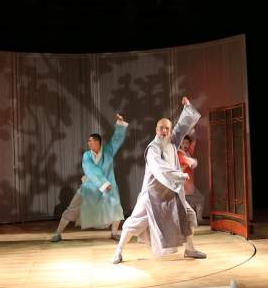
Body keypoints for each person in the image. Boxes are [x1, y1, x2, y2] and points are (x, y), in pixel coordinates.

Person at [112, 97, 205, 264]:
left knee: (188, 215)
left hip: (171, 192)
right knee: (134, 223)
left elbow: (182, 127)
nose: (164, 131)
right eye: (161, 128)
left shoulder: (172, 141)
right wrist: (179, 176)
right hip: (153, 195)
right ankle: (118, 251)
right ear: (156, 130)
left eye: (167, 128)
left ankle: (190, 249)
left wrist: (187, 107)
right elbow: (160, 168)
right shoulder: (153, 149)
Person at [51, 113, 128, 242]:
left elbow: (117, 139)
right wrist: (103, 183)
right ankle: (58, 232)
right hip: (90, 187)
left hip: (109, 186)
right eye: (88, 141)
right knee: (73, 208)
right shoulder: (87, 155)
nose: (89, 143)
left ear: (98, 142)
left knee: (115, 207)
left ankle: (114, 232)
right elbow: (90, 170)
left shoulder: (108, 151)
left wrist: (120, 123)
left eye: (91, 141)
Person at [178, 131, 205, 224]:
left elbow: (193, 140)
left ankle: (197, 220)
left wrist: (190, 131)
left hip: (189, 185)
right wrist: (190, 163)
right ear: (180, 144)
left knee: (198, 201)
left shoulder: (188, 152)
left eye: (187, 143)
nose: (185, 145)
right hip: (184, 185)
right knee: (195, 202)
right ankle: (196, 221)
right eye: (183, 143)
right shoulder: (179, 153)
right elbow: (190, 163)